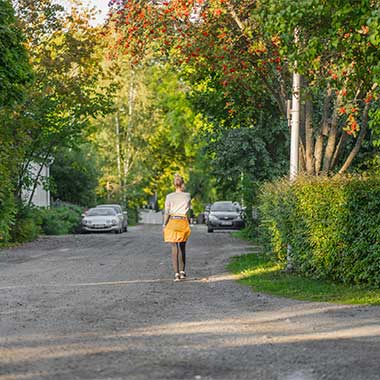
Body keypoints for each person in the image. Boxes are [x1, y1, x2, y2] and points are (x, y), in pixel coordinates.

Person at [163, 174, 191, 282]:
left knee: (174, 248)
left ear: (174, 184)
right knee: (182, 247)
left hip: (173, 221)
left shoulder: (169, 197)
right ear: (182, 184)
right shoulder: (187, 195)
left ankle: (176, 274)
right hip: (183, 221)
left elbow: (167, 212)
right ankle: (183, 272)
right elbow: (189, 210)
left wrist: (164, 224)